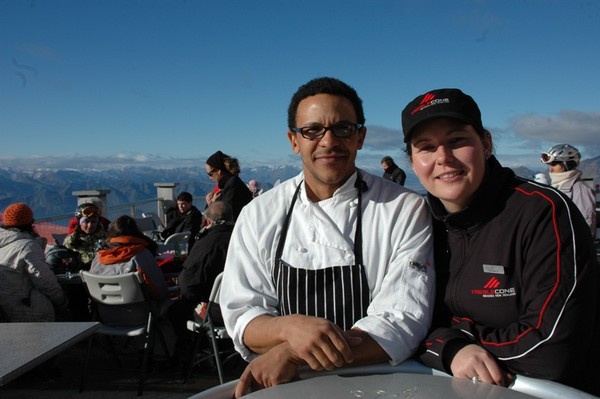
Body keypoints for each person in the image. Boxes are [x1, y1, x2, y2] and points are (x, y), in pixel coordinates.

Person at [220, 77, 436, 397]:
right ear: (294, 140)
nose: (328, 141)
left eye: (343, 129)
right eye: (312, 130)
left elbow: (402, 320)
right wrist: (289, 330)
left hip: (380, 386)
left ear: (360, 136)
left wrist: (292, 352)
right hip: (285, 387)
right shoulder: (258, 216)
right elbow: (242, 317)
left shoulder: (404, 209)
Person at [402, 88, 599, 394]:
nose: (443, 158)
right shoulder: (416, 224)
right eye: (426, 147)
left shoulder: (544, 213)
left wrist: (452, 344)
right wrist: (448, 347)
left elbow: (551, 350)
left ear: (486, 143)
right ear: (413, 162)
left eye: (456, 141)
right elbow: (400, 320)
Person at [0, 203, 69, 321]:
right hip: (25, 309)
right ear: (30, 222)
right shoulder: (28, 246)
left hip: (4, 309)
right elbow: (46, 281)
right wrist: (63, 302)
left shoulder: (4, 242)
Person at [541, 144, 596, 235]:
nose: (550, 169)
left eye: (554, 164)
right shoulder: (558, 186)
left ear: (567, 165)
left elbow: (585, 227)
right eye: (549, 165)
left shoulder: (581, 190)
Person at [204, 150, 253, 221]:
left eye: (210, 174)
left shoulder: (232, 185)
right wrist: (210, 204)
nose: (210, 178)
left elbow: (225, 216)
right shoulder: (229, 183)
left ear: (218, 171)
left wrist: (213, 204)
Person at [63, 205, 107, 269]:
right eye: (86, 221)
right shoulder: (71, 241)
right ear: (79, 223)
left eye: (93, 221)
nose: (90, 225)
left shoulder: (106, 237)